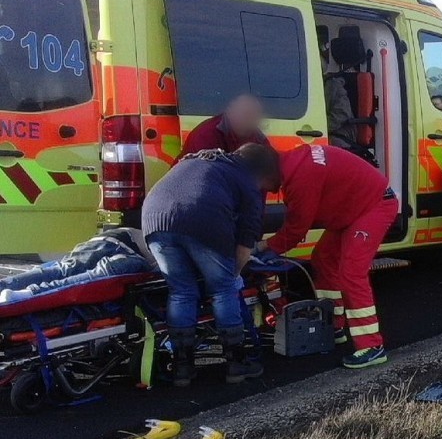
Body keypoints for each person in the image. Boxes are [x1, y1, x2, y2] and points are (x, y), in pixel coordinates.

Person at [142, 144, 282, 387]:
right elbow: (245, 240)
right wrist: (234, 273)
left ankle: (182, 368)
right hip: (201, 219)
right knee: (223, 289)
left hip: (154, 219)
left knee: (181, 292)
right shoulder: (247, 182)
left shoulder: (200, 161)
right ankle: (236, 364)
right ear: (261, 172)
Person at [259, 144, 399, 369]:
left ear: (266, 173)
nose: (263, 189)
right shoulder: (294, 161)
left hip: (374, 205)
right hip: (352, 210)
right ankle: (333, 324)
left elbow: (296, 229)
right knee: (323, 259)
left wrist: (264, 246)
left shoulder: (301, 176)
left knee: (351, 273)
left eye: (260, 183)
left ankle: (372, 346)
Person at [0, 228, 156, 304]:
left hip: (103, 239)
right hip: (126, 250)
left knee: (63, 270)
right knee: (101, 274)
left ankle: (5, 286)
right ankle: (30, 293)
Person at [179, 94, 269, 158]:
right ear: (230, 111)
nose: (251, 120)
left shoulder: (258, 138)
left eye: (254, 115)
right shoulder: (207, 135)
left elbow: (271, 169)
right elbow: (205, 174)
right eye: (246, 114)